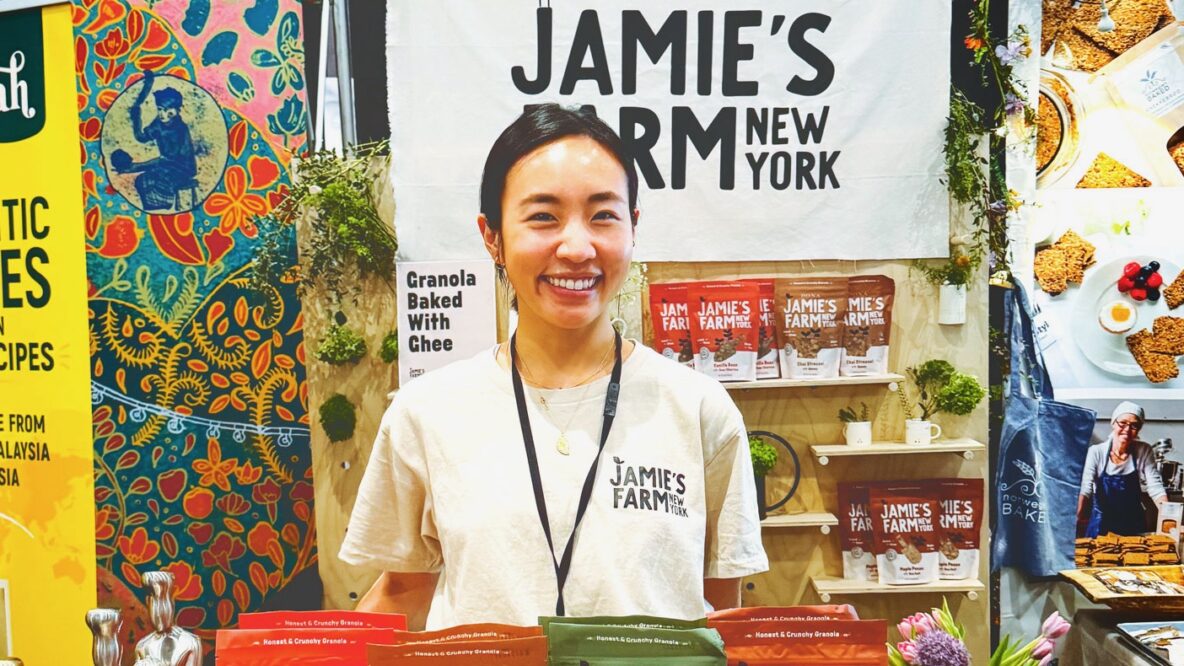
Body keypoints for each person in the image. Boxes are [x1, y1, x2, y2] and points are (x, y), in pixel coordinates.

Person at [339, 104, 768, 630]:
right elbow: (402, 591)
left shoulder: (698, 408)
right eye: (543, 215)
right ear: (492, 236)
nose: (577, 247)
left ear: (632, 228)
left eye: (603, 215)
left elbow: (718, 607)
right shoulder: (426, 413)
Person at [1076, 401, 1167, 538]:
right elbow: (1086, 488)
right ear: (1113, 423)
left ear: (1139, 429)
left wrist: (1170, 517)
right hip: (1101, 525)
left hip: (1133, 524)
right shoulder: (1096, 452)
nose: (1127, 429)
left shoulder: (1143, 450)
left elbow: (1155, 488)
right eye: (1122, 423)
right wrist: (1076, 517)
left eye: (1134, 425)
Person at [114, 71, 198, 211]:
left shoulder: (181, 129)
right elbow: (141, 137)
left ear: (178, 110)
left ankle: (165, 208)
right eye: (160, 110)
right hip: (165, 165)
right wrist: (136, 119)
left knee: (159, 180)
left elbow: (172, 158)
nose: (163, 115)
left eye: (168, 111)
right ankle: (154, 211)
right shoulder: (158, 123)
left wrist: (137, 166)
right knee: (141, 181)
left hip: (183, 169)